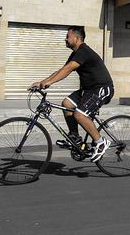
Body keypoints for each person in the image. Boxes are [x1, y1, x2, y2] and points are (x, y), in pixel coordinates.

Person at [31, 26, 114, 162]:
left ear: (77, 38)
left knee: (79, 114)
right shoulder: (76, 53)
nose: (65, 39)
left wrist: (48, 83)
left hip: (101, 89)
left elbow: (67, 70)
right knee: (67, 103)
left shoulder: (83, 51)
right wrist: (42, 82)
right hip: (88, 90)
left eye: (67, 36)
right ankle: (75, 137)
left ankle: (100, 142)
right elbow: (62, 70)